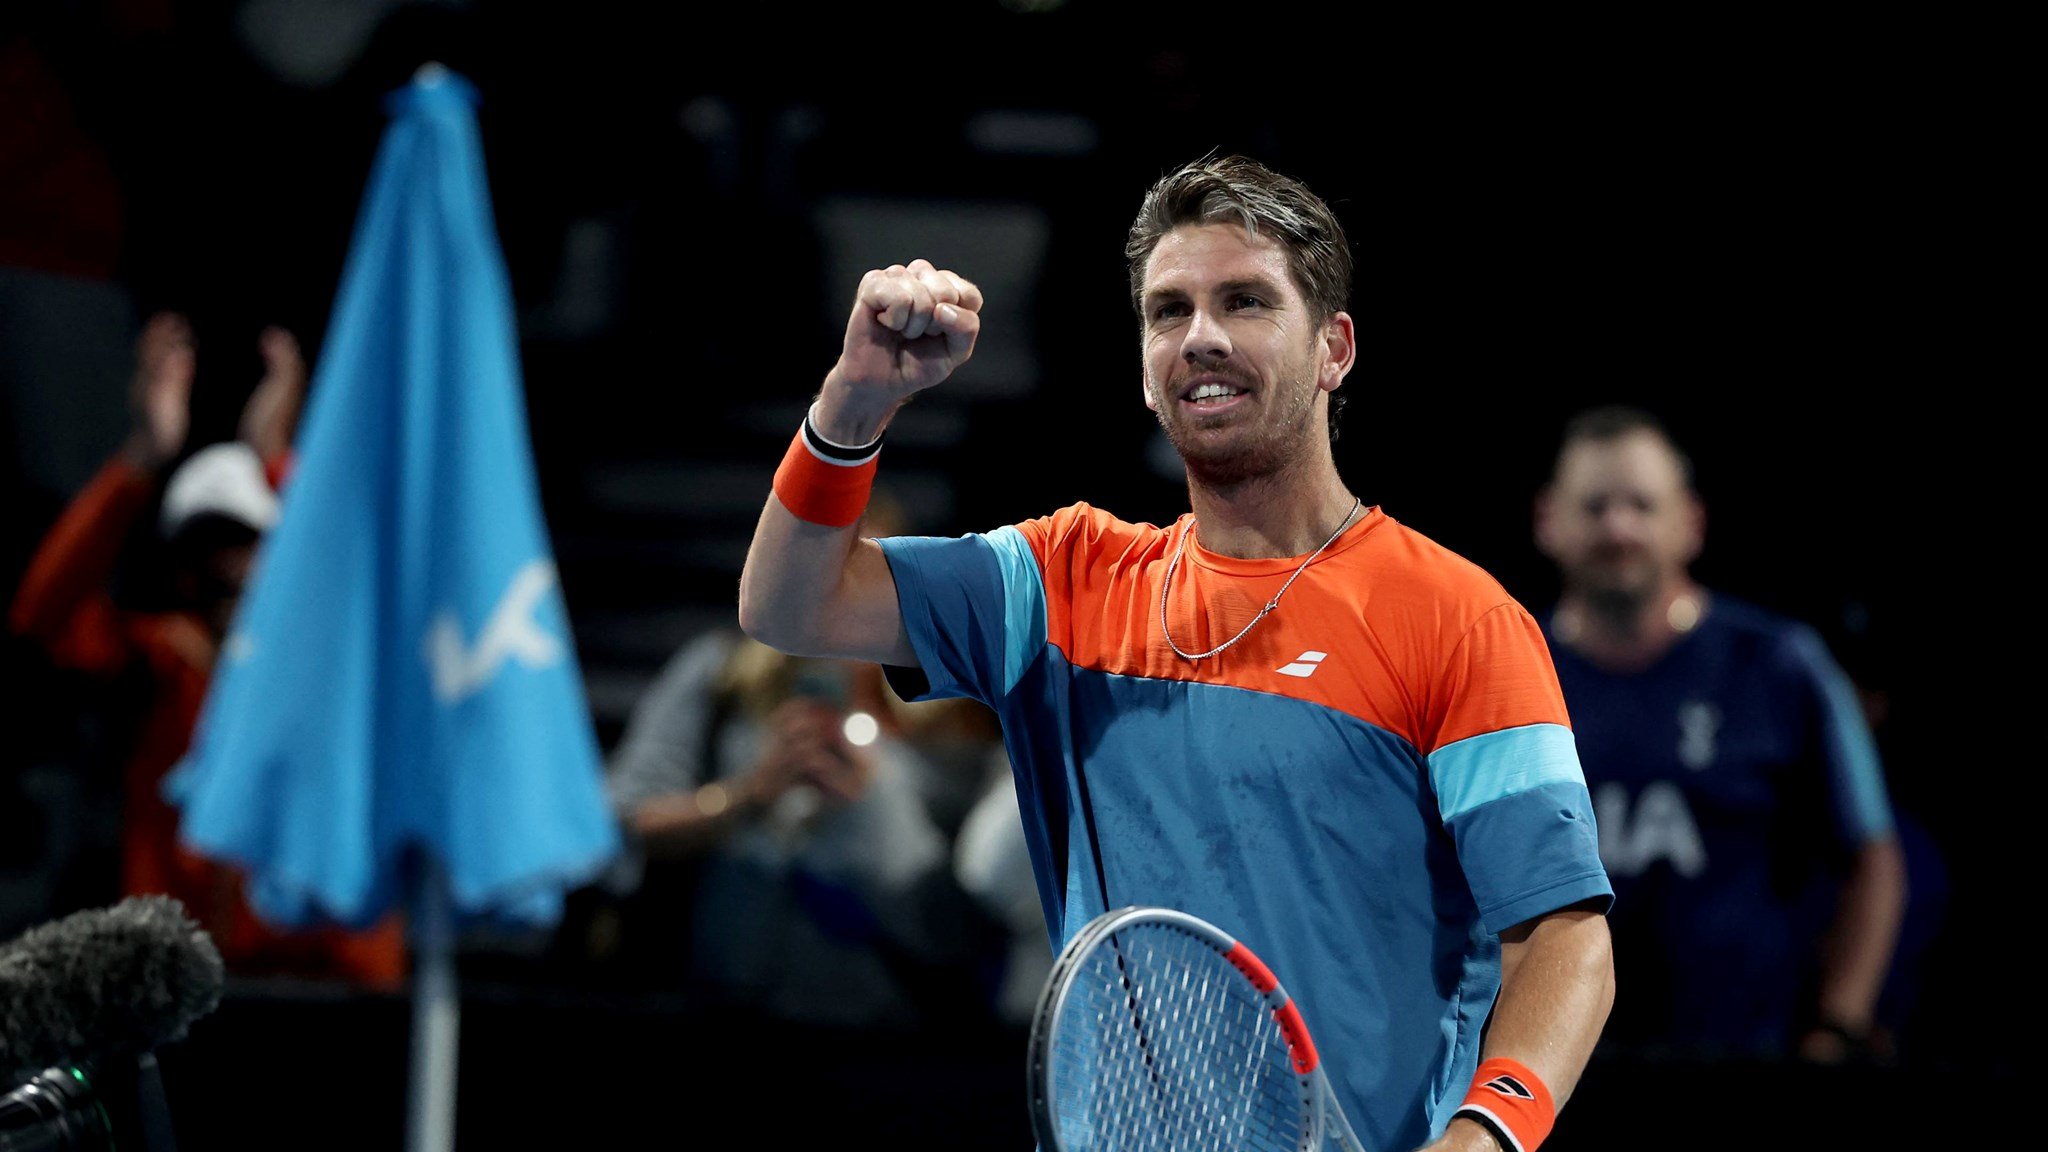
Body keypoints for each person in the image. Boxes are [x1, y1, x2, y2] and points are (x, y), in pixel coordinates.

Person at [736, 154, 1614, 1152]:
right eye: (1168, 311)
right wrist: (854, 400)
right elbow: (787, 606)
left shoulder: (1458, 617)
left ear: (1333, 349)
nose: (1200, 337)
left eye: (1244, 302)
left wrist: (1483, 1136)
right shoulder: (1060, 578)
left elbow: (1563, 936)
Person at [7, 310, 406, 989]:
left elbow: (368, 583)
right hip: (181, 991)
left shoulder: (330, 659)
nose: (226, 566)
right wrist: (141, 458)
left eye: (245, 541)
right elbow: (42, 616)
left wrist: (279, 457)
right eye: (205, 546)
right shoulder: (158, 658)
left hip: (332, 987)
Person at [1531, 404, 1908, 1063]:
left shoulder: (1782, 665)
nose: (1619, 527)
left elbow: (1871, 857)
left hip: (1744, 1060)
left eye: (1642, 505)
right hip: (1548, 1076)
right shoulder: (1500, 667)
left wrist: (1837, 1028)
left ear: (1691, 522)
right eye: (1595, 507)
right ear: (1548, 521)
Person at [601, 627, 1004, 1030]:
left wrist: (876, 804)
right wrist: (751, 795)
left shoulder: (964, 694)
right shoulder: (725, 670)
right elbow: (624, 827)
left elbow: (965, 929)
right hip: (710, 1010)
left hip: (889, 1036)